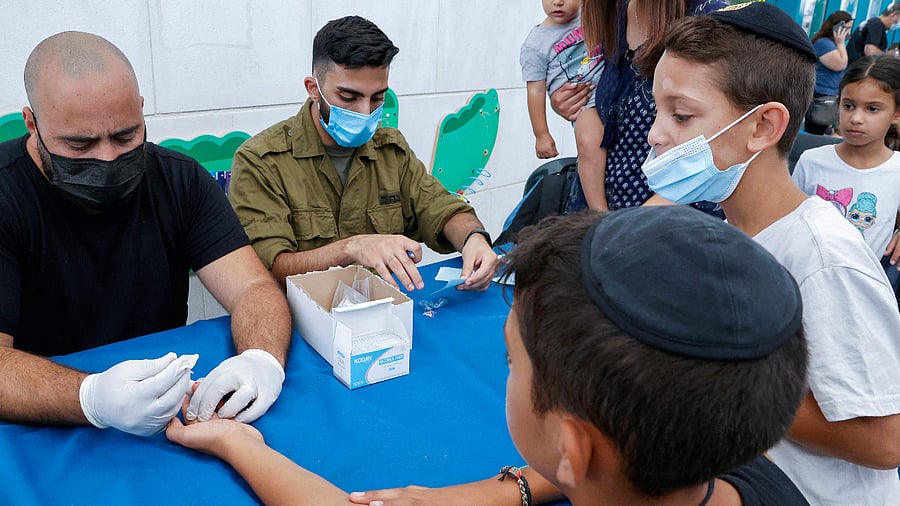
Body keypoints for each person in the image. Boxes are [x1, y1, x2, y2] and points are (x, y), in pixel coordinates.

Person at [170, 207, 811, 506]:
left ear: (575, 446)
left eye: (512, 361)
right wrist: (508, 491)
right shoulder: (751, 476)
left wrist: (239, 445)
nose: (505, 369)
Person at [637, 3, 900, 503]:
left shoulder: (822, 259)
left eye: (681, 114)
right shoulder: (731, 232)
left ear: (763, 127)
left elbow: (887, 440)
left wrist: (711, 381)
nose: (656, 134)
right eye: (658, 110)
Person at [0, 31, 292, 437]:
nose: (107, 157)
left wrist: (262, 358)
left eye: (126, 135)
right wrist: (89, 396)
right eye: (79, 145)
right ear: (32, 122)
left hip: (172, 409)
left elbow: (252, 287)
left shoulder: (180, 179)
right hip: (41, 423)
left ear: (140, 109)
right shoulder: (6, 194)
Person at [228, 16, 500, 292]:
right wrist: (351, 248)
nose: (365, 111)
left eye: (378, 98)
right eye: (348, 98)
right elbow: (271, 268)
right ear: (314, 89)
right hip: (304, 318)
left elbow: (441, 208)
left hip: (383, 312)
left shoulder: (391, 150)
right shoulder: (261, 161)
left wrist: (473, 239)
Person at [793, 55, 900, 284]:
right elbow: (789, 220)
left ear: (896, 113)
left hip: (864, 287)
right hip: (806, 278)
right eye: (849, 105)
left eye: (872, 109)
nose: (856, 118)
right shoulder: (811, 161)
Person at [520, 0, 608, 209]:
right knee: (589, 142)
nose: (558, 2)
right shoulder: (535, 44)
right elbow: (536, 90)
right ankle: (598, 210)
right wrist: (541, 134)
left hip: (611, 92)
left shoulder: (591, 17)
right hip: (585, 105)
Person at [804, 10, 853, 135]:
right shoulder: (825, 44)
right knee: (816, 130)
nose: (848, 32)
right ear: (837, 28)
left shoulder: (831, 44)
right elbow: (840, 64)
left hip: (829, 94)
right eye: (846, 28)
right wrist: (841, 43)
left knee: (824, 128)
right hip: (821, 94)